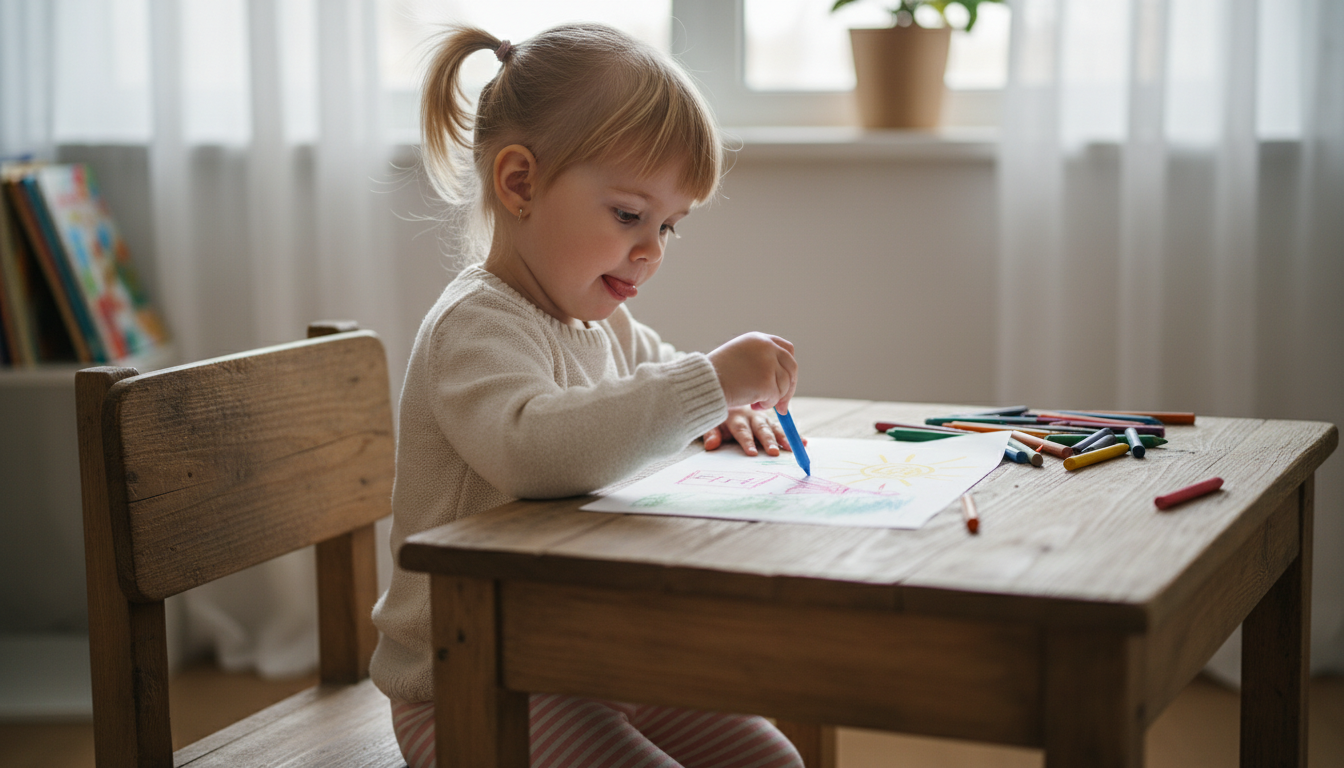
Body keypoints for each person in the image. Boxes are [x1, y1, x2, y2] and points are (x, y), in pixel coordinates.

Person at [370, 22, 805, 768]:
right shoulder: (474, 326)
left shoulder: (597, 322)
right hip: (473, 686)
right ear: (520, 184)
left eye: (669, 225)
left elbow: (654, 386)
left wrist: (726, 408)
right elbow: (535, 449)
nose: (652, 250)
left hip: (588, 659)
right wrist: (712, 381)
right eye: (630, 215)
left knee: (772, 761)